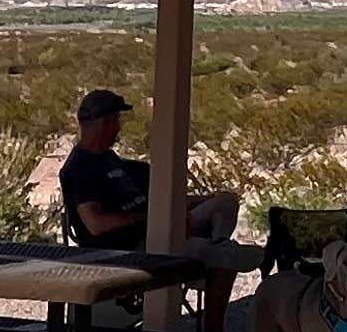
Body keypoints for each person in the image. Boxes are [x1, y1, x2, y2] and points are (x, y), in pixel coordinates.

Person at [58, 88, 238, 248]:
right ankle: (214, 252)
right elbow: (96, 225)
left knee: (225, 202)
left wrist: (195, 202)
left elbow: (154, 198)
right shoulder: (81, 167)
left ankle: (216, 246)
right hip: (133, 243)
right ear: (103, 124)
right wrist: (150, 217)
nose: (117, 128)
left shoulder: (111, 160)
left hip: (160, 228)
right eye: (114, 121)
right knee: (222, 258)